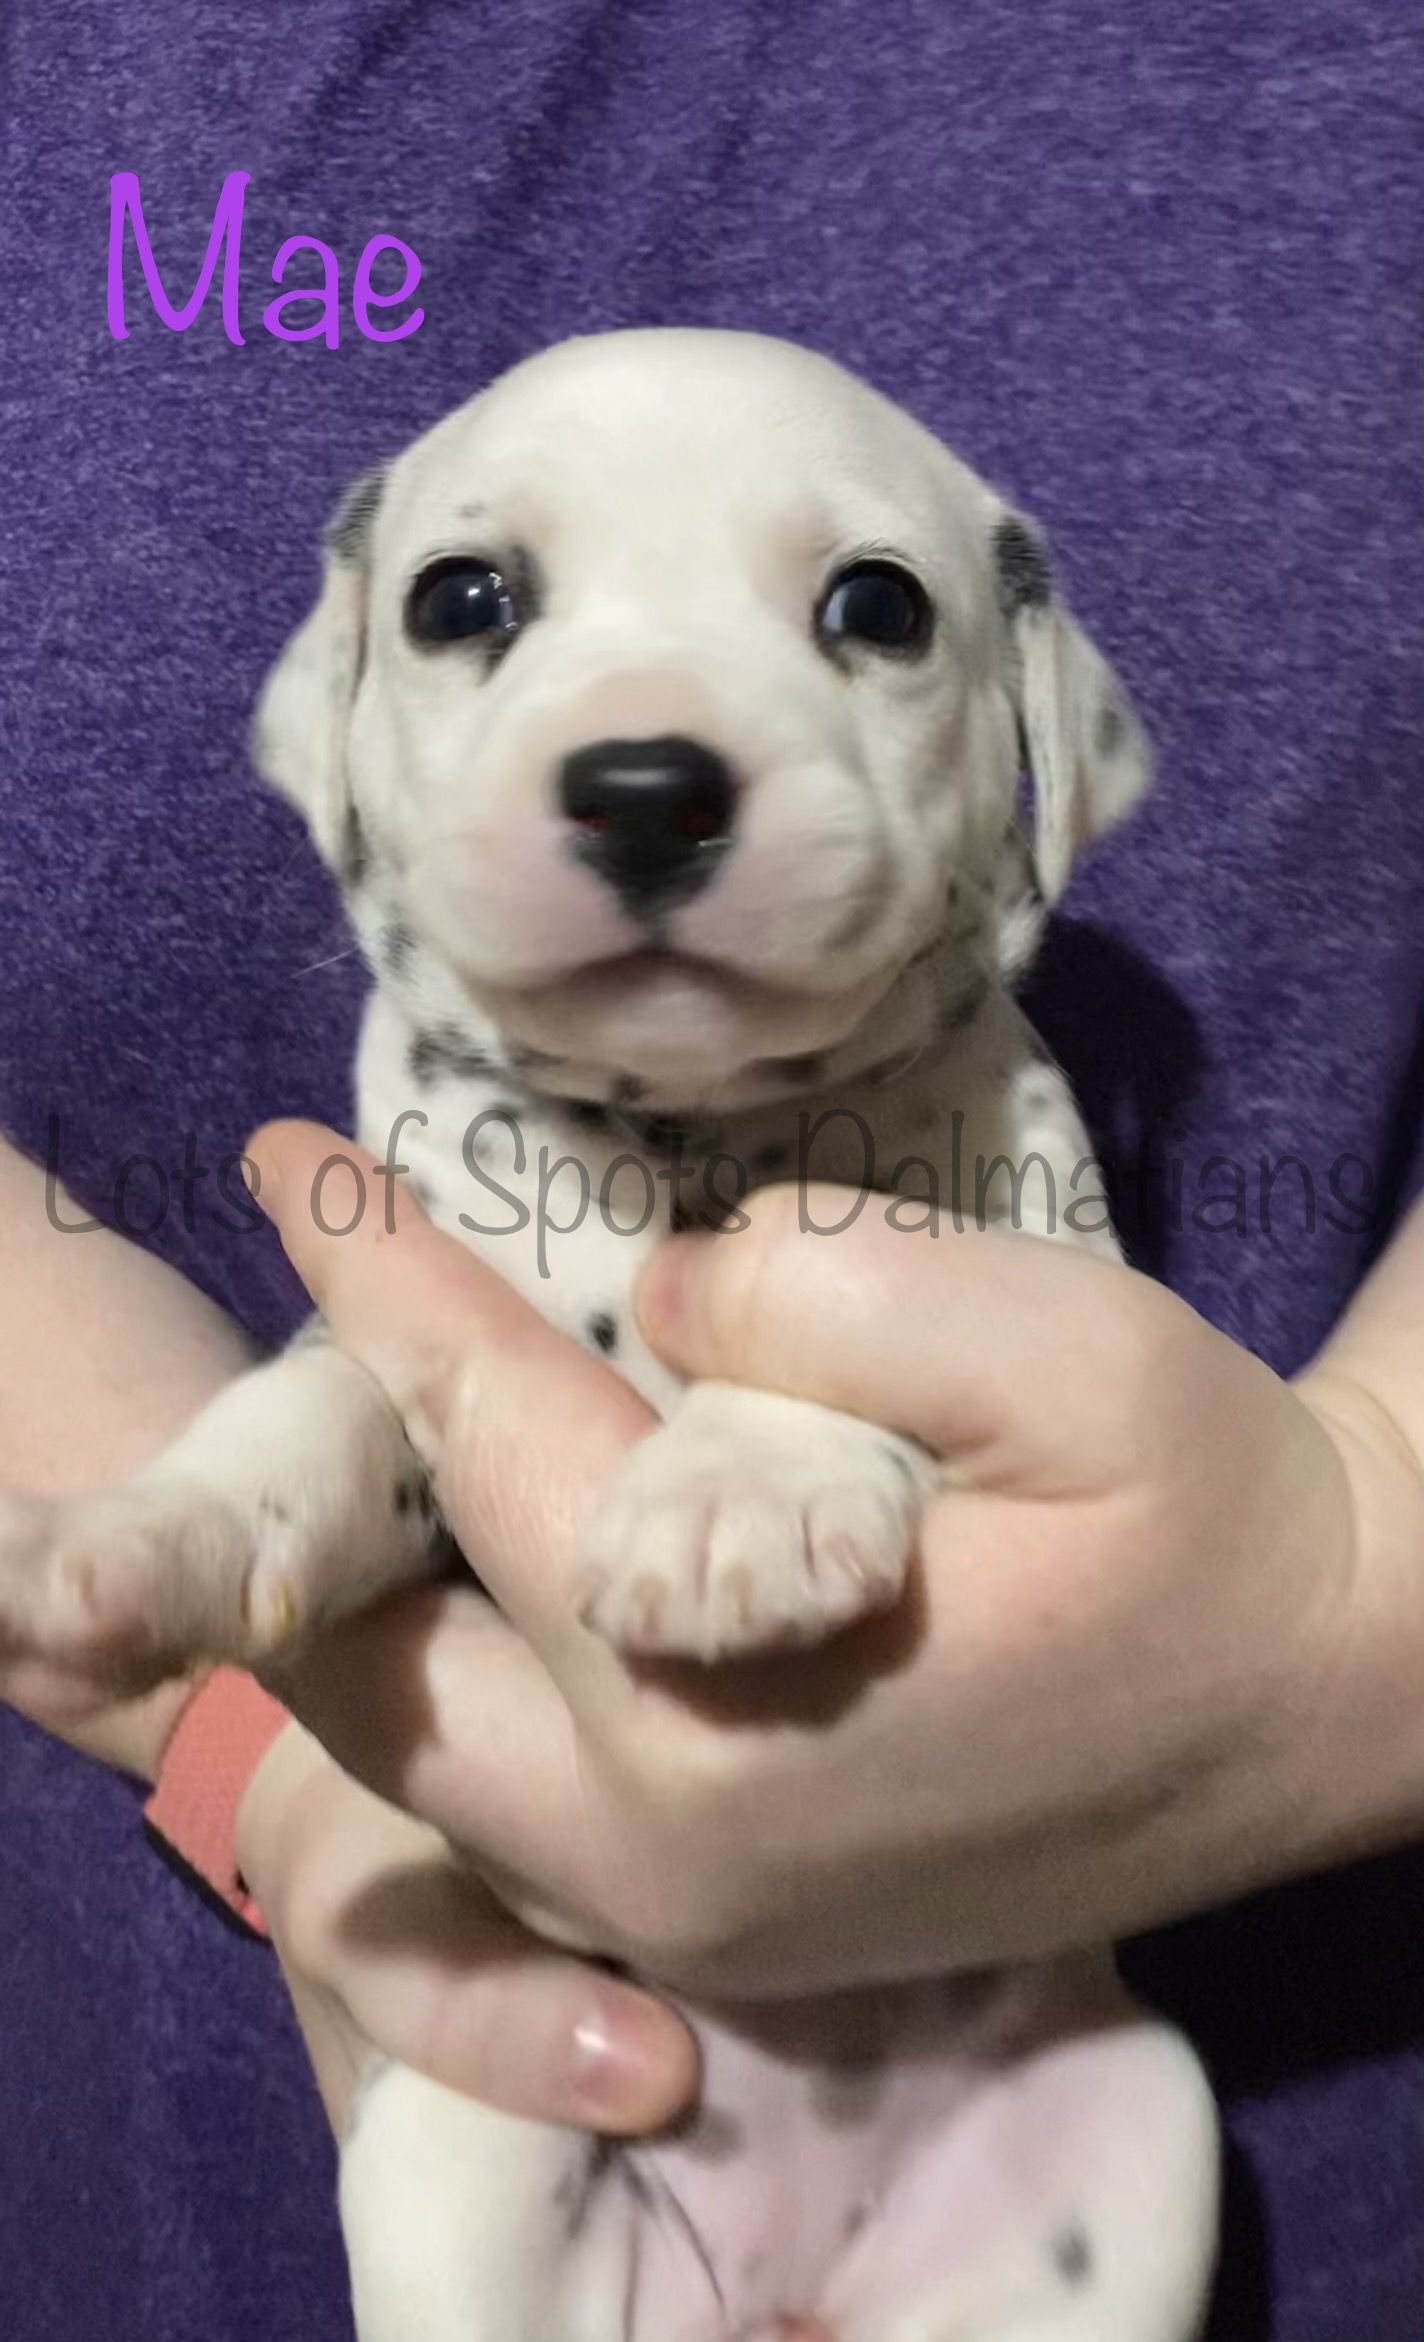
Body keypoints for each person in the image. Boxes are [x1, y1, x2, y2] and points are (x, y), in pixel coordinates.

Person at [1, 6, 1419, 2338]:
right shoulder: (427, 1096)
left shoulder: (989, 1113)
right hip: (400, 2051)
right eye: (475, 602)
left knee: (1126, 2126)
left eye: (865, 611)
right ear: (340, 721)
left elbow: (1022, 1365)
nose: (650, 760)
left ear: (1034, 752)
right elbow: (379, 1410)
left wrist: (1356, 1583)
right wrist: (231, 1673)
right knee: (449, 2167)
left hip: (1046, 2085)